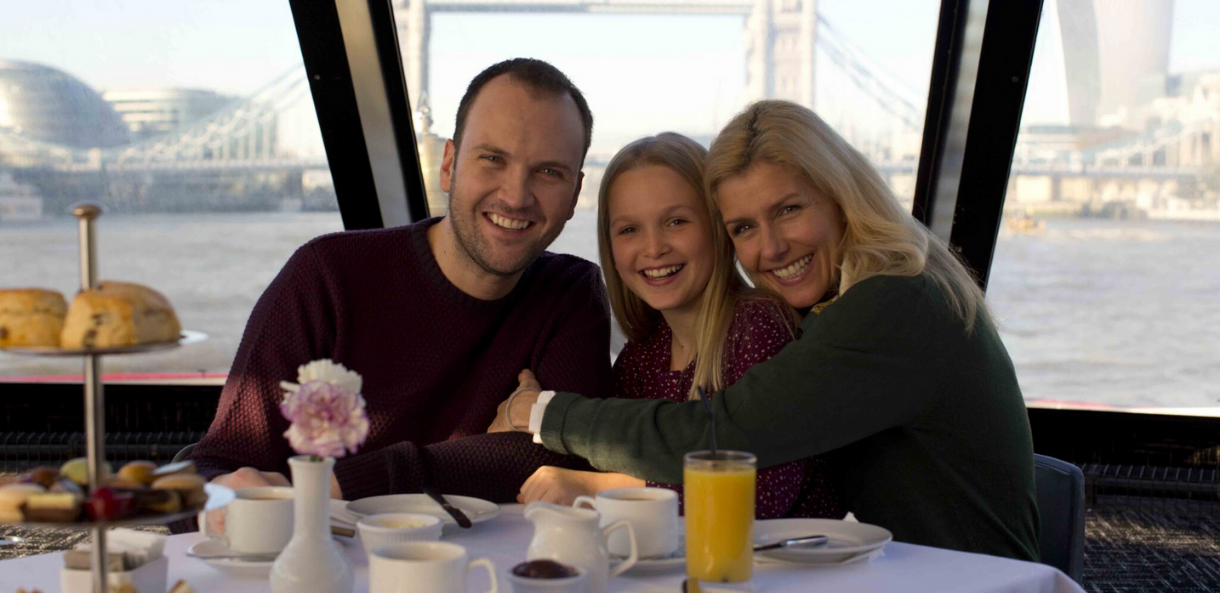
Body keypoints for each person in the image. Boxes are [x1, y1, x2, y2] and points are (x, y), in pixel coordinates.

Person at [493, 100, 1040, 561]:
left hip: (963, 579)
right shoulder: (844, 302)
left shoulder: (892, 304)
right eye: (746, 227)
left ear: (841, 195)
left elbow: (726, 438)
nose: (771, 248)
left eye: (790, 209)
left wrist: (541, 412)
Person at [190, 58, 614, 521]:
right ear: (448, 166)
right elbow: (216, 467)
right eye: (493, 159)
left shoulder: (570, 293)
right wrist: (491, 451)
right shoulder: (327, 277)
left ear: (575, 195)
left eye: (549, 172)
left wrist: (339, 484)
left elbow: (563, 463)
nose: (516, 196)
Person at [514, 133, 842, 520]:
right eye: (629, 230)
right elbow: (609, 460)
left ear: (719, 227)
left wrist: (593, 488)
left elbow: (757, 498)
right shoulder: (643, 355)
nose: (653, 248)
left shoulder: (760, 328)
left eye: (676, 221)